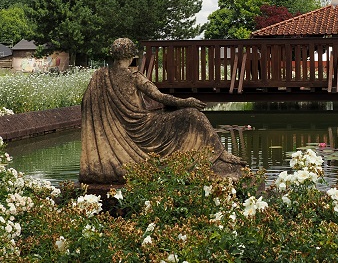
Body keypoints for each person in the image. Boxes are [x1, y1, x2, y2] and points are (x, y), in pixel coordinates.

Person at [79, 38, 245, 184]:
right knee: (193, 115)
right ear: (131, 56)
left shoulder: (100, 76)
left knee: (190, 116)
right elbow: (160, 96)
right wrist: (185, 102)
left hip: (128, 130)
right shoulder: (134, 76)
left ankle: (218, 154)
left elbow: (86, 103)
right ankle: (221, 154)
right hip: (143, 126)